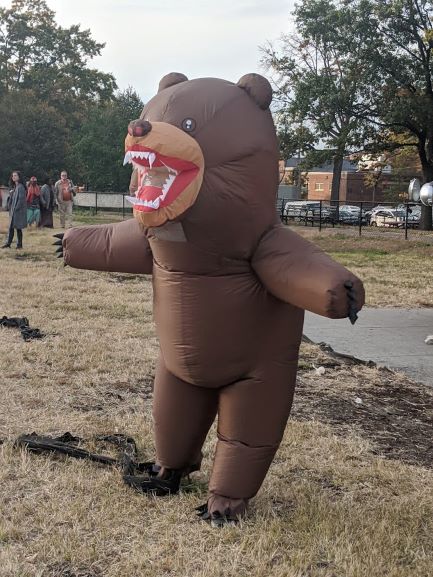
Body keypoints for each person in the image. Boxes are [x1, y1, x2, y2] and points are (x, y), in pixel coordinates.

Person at [1, 171, 27, 249]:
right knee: (11, 228)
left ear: (19, 177)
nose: (13, 177)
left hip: (17, 211)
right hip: (13, 211)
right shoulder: (16, 187)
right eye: (13, 176)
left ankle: (19, 245)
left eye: (15, 175)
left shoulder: (21, 187)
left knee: (18, 228)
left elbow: (21, 200)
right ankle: (8, 243)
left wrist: (16, 209)